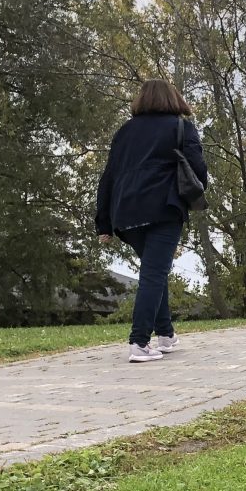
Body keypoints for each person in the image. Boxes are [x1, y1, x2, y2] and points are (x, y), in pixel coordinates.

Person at [95, 79, 208, 363]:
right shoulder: (180, 127)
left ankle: (166, 335)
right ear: (173, 98)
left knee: (154, 270)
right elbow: (198, 170)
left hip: (125, 213)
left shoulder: (124, 132)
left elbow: (108, 177)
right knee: (154, 273)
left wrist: (104, 223)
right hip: (163, 207)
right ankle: (139, 342)